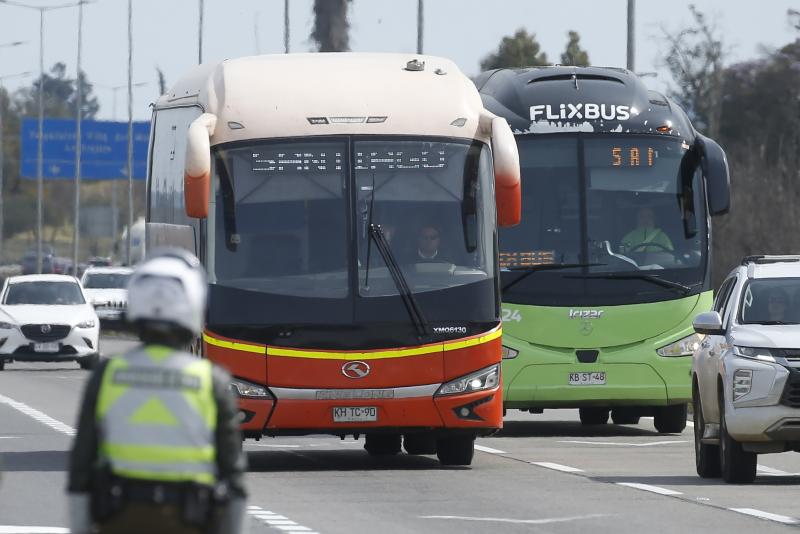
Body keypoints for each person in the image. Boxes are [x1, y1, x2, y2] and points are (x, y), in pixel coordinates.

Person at [67, 249, 247, 534]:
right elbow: (234, 480)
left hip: (119, 518)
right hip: (190, 519)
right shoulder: (211, 381)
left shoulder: (108, 375)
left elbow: (80, 469)